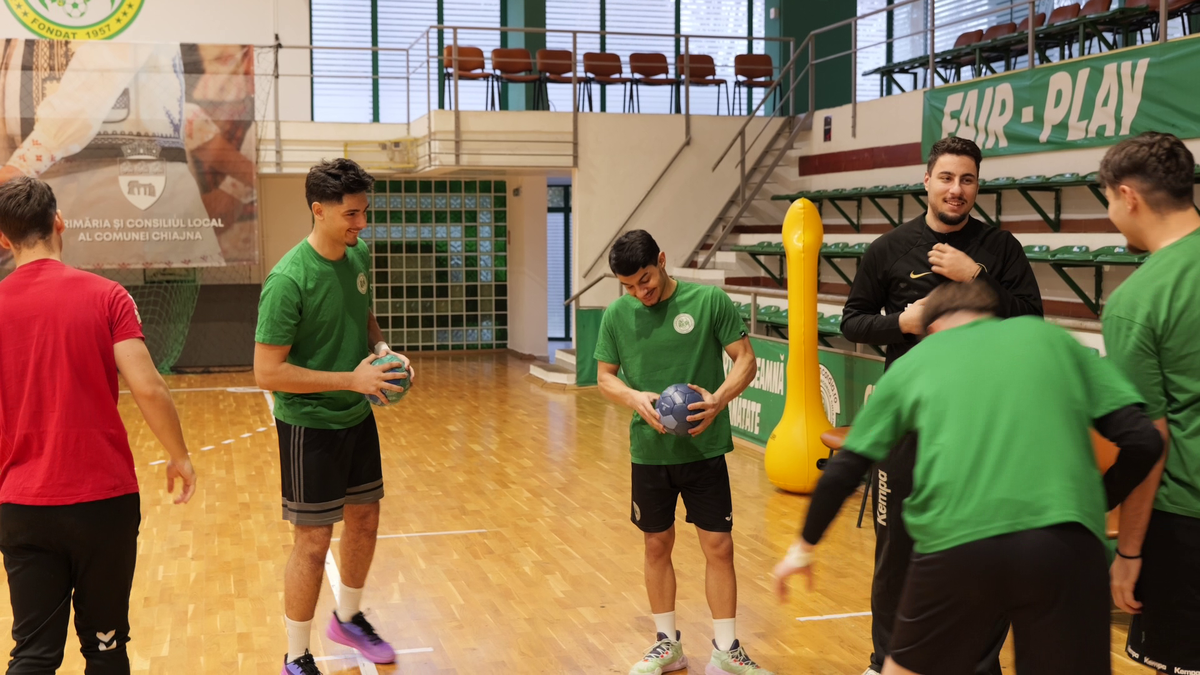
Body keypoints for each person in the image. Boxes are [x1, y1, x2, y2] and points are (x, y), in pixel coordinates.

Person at [775, 281, 1163, 675]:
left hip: (957, 543)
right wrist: (1097, 498)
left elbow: (847, 467)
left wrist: (802, 547)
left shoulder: (918, 359)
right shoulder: (1053, 341)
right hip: (1065, 544)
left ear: (932, 327)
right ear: (991, 313)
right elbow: (1144, 440)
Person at [839, 135, 1043, 675]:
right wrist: (901, 323)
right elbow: (852, 321)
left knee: (980, 549)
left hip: (982, 426)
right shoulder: (887, 249)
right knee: (895, 553)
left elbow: (1031, 319)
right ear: (926, 181)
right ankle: (885, 660)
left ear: (978, 184)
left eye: (968, 179)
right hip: (907, 426)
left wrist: (973, 275)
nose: (957, 189)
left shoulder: (1000, 249)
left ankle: (979, 665)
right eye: (947, 178)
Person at [0, 176, 197, 673]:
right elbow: (148, 387)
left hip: (21, 503)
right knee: (106, 648)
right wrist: (179, 454)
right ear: (59, 223)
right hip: (101, 503)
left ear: (3, 239)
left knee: (33, 654)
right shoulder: (107, 296)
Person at [254, 159, 412, 675]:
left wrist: (385, 350)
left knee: (365, 520)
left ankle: (347, 619)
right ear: (318, 211)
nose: (360, 224)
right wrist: (350, 380)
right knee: (313, 540)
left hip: (355, 415)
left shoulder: (357, 254)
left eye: (364, 212)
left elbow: (361, 316)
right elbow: (267, 372)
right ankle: (296, 655)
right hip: (309, 424)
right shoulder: (287, 280)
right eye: (350, 214)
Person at [594, 230, 770, 675]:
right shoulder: (617, 314)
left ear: (663, 260)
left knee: (719, 546)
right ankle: (666, 644)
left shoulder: (710, 302)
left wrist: (719, 399)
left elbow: (746, 359)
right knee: (657, 544)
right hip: (649, 452)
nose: (640, 292)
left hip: (704, 450)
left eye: (646, 280)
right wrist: (633, 397)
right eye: (629, 286)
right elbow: (604, 378)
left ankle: (727, 650)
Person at [1098, 131, 1200, 674]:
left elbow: (1148, 441)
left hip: (1186, 525)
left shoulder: (1136, 301)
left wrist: (1129, 552)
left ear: (1127, 195)